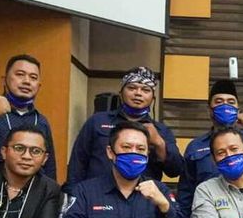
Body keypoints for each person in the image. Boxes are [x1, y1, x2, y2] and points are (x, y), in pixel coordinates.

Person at [58, 121, 186, 218]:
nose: (134, 153)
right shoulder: (85, 191)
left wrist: (164, 206)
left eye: (140, 149)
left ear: (147, 155)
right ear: (110, 152)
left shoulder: (160, 190)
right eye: (126, 147)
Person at [63, 66, 183, 194]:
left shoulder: (161, 130)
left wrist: (159, 143)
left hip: (141, 200)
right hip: (96, 197)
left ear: (153, 97)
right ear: (121, 92)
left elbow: (175, 171)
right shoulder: (97, 121)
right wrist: (72, 196)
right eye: (131, 88)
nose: (138, 93)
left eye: (145, 90)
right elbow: (78, 163)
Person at [178, 79, 243, 218]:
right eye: (219, 102)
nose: (225, 106)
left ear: (238, 109)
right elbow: (186, 191)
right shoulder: (195, 146)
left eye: (231, 102)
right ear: (209, 110)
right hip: (206, 217)